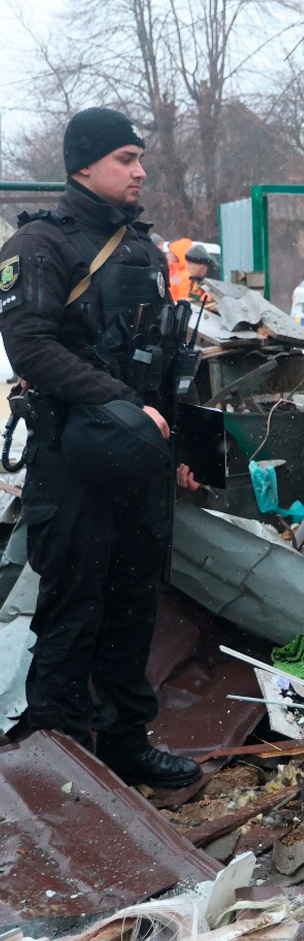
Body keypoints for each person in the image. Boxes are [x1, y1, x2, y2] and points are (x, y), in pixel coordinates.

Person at [0, 107, 201, 788]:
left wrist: (177, 448)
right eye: (125, 158)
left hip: (138, 462)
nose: (140, 171)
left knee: (132, 608)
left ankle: (124, 747)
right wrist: (121, 404)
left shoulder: (143, 248)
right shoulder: (38, 245)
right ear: (83, 165)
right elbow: (31, 348)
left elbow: (163, 357)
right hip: (73, 462)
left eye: (140, 158)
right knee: (73, 612)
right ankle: (63, 766)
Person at [183, 243, 218, 312]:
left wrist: (194, 304)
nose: (187, 267)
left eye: (189, 264)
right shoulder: (195, 280)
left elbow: (213, 306)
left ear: (201, 264)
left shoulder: (216, 283)